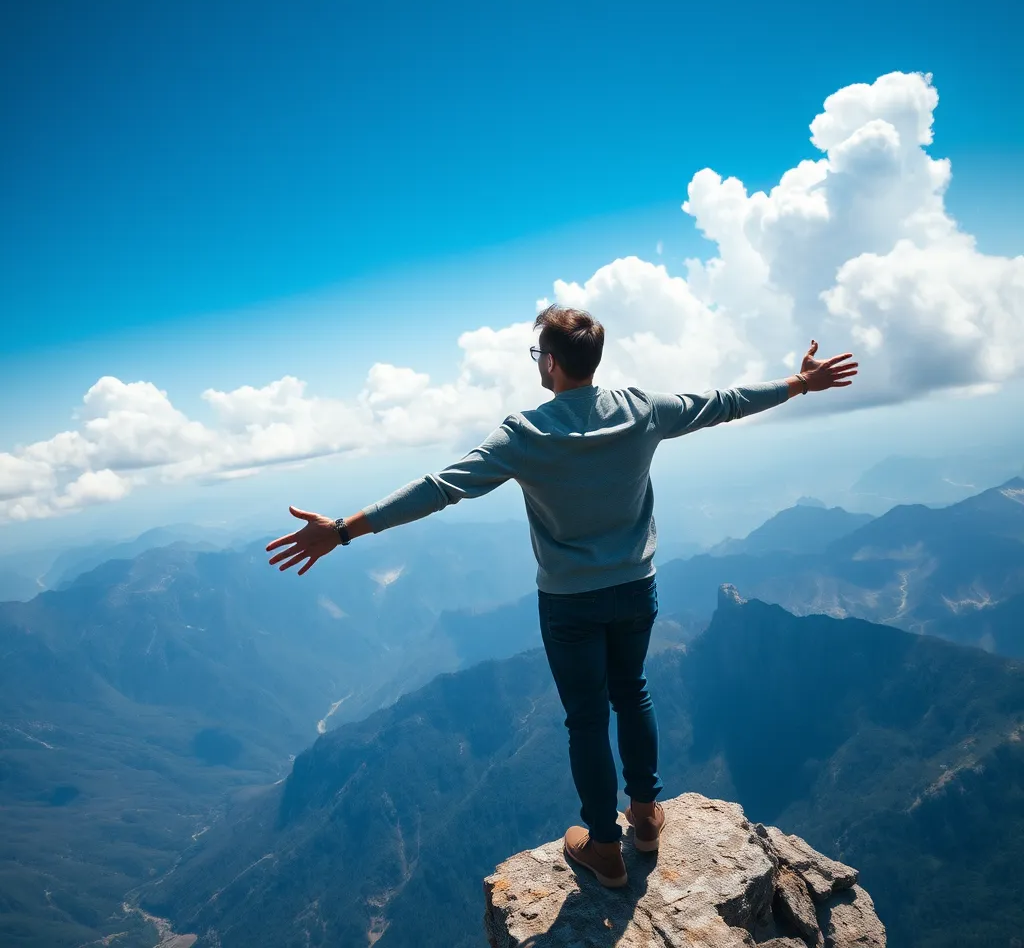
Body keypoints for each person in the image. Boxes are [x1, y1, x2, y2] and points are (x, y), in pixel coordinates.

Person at [265, 305, 858, 888]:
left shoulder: (524, 435)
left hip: (570, 603)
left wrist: (343, 529)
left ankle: (605, 848)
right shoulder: (641, 409)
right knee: (634, 692)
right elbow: (724, 404)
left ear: (549, 362)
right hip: (636, 588)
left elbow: (438, 488)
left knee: (586, 721)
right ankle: (647, 817)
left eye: (537, 354)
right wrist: (800, 384)